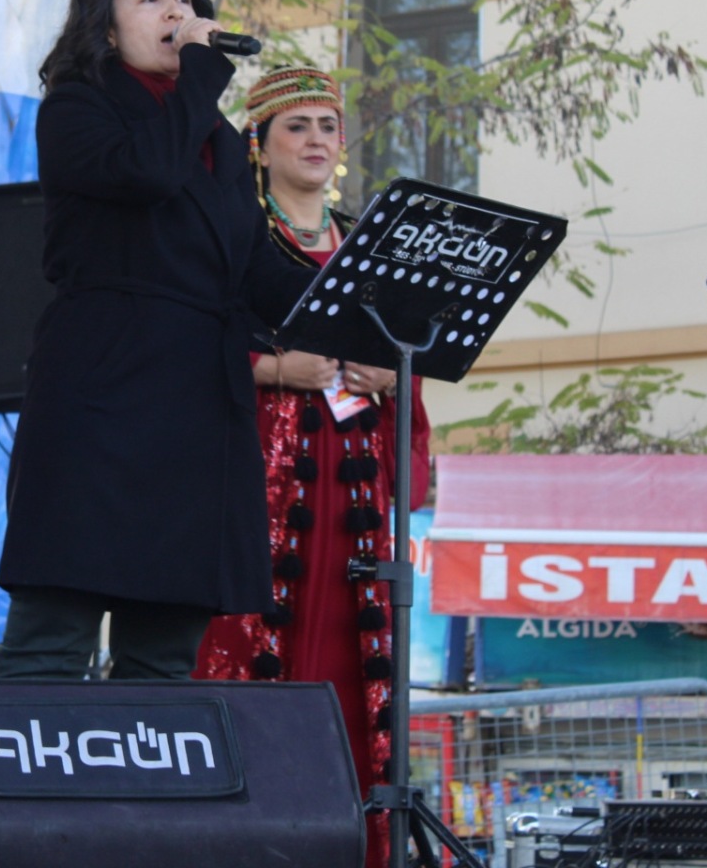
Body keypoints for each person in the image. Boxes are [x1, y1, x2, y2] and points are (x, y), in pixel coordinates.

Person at [0, 0, 316, 681]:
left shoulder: (220, 141)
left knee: (164, 657)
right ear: (105, 29)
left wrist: (358, 306)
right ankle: (12, 761)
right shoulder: (76, 108)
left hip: (199, 408)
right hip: (102, 392)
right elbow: (148, 173)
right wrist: (202, 73)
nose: (176, 10)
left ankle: (146, 767)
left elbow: (254, 268)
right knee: (50, 642)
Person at [192, 63, 432, 864]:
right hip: (264, 477)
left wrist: (391, 375)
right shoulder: (235, 235)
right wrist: (273, 370)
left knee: (354, 655)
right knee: (256, 642)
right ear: (258, 146)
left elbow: (411, 361)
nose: (317, 140)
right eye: (297, 126)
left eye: (328, 126)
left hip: (352, 472)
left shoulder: (369, 244)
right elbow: (191, 351)